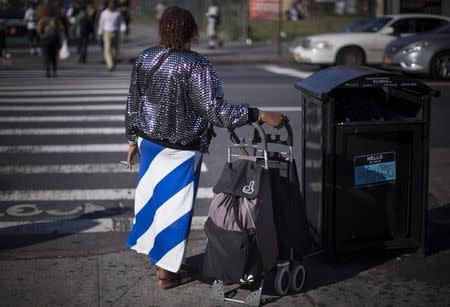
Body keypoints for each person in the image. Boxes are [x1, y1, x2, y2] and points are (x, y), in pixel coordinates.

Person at [124, 6, 284, 290]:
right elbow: (215, 111)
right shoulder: (195, 64)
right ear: (191, 32)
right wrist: (259, 114)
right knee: (175, 210)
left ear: (162, 29)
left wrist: (131, 141)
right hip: (180, 149)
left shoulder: (146, 57)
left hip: (148, 143)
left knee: (153, 204)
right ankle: (166, 275)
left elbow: (134, 102)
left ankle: (164, 261)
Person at [97, 0, 125, 71]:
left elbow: (122, 22)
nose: (111, 6)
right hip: (107, 32)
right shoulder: (104, 13)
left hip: (116, 32)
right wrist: (100, 32)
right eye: (110, 4)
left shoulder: (118, 13)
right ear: (108, 5)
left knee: (115, 49)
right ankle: (110, 65)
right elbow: (101, 23)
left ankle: (114, 62)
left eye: (113, 4)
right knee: (107, 48)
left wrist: (123, 29)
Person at [37, 5, 61, 78]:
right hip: (54, 40)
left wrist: (42, 35)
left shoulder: (42, 20)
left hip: (45, 41)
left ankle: (48, 72)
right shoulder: (55, 19)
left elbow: (39, 31)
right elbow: (61, 29)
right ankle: (54, 72)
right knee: (54, 57)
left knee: (46, 57)